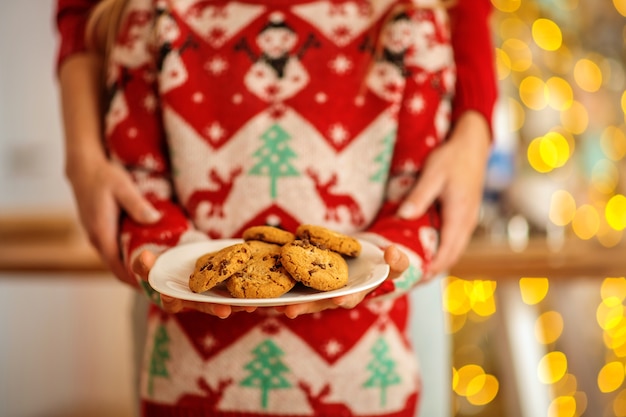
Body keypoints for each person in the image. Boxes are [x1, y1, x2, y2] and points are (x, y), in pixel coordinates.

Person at [56, 0, 496, 415]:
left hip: (365, 385)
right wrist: (163, 268)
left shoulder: (411, 19)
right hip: (186, 384)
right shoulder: (152, 15)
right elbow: (139, 193)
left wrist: (378, 267)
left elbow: (418, 203)